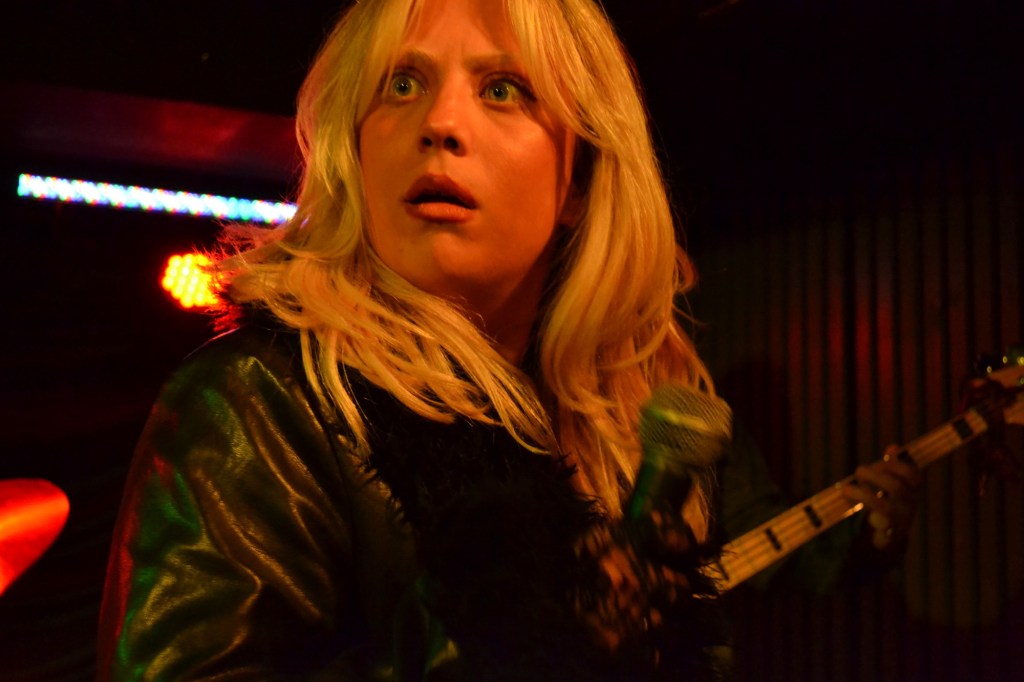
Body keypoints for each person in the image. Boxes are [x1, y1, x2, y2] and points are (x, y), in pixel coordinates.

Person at [96, 0, 921, 679]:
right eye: (402, 84)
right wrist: (502, 647)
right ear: (354, 148)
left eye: (502, 90)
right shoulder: (256, 403)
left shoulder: (632, 424)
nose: (439, 122)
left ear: (579, 179)